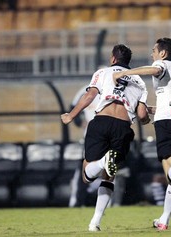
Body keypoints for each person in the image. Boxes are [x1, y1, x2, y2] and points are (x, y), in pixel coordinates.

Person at [113, 37, 171, 231]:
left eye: (154, 50)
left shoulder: (161, 63)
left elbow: (155, 70)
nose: (152, 54)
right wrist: (153, 109)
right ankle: (164, 220)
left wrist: (125, 72)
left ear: (163, 53)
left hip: (170, 123)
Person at [61, 44, 150, 231]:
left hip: (101, 121)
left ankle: (102, 162)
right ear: (129, 61)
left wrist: (71, 115)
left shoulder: (102, 73)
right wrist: (147, 118)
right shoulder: (139, 81)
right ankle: (95, 223)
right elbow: (142, 115)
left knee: (87, 175)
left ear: (113, 59)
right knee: (109, 177)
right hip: (123, 127)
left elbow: (89, 95)